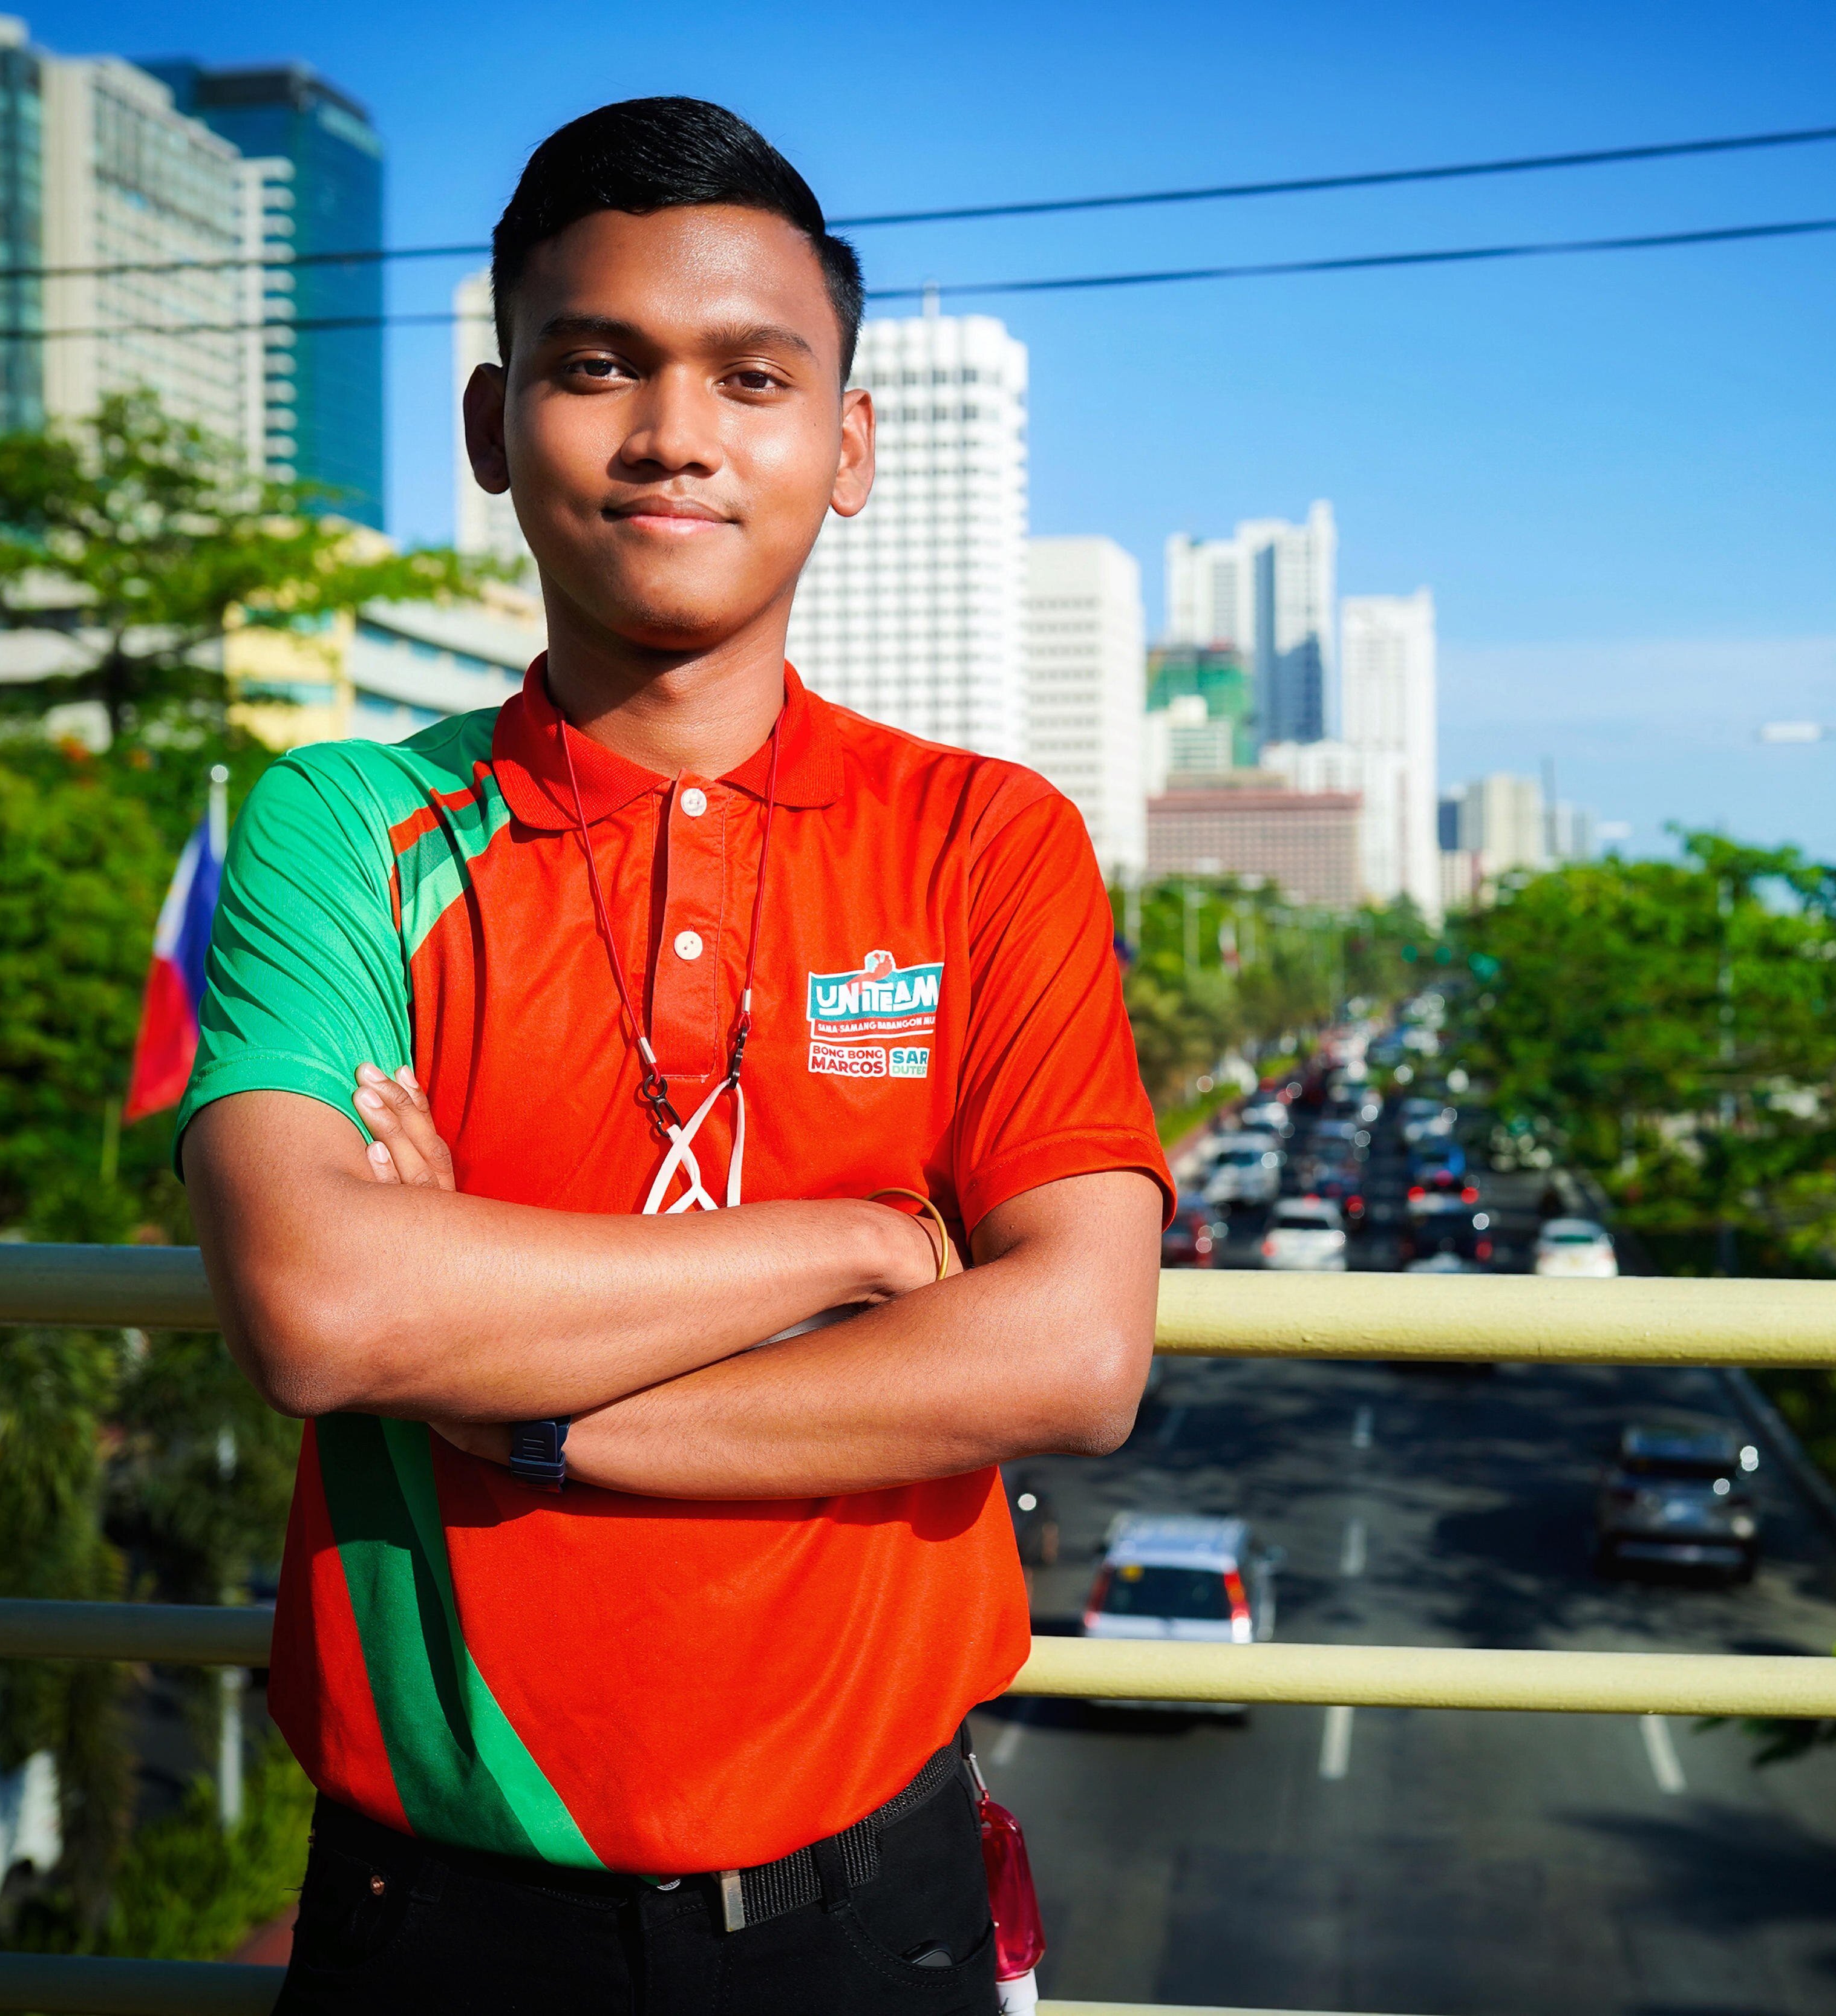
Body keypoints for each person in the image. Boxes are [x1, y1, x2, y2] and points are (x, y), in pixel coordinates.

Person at [178, 96, 1170, 2016]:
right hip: (440, 1919)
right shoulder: (344, 820)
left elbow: (1073, 1350)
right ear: (492, 425)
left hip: (870, 1908)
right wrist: (861, 1252)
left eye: (753, 375)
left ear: (849, 444)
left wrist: (527, 1404)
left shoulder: (988, 838)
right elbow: (319, 1303)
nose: (674, 435)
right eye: (598, 365)